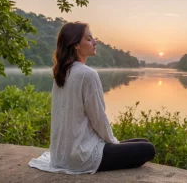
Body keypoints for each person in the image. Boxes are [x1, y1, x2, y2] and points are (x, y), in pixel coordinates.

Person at [29, 22, 155, 174]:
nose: (95, 42)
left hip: (60, 156)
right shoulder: (87, 74)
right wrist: (112, 142)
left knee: (142, 142)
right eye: (89, 39)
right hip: (81, 157)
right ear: (76, 44)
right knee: (148, 149)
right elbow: (98, 118)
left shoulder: (61, 73)